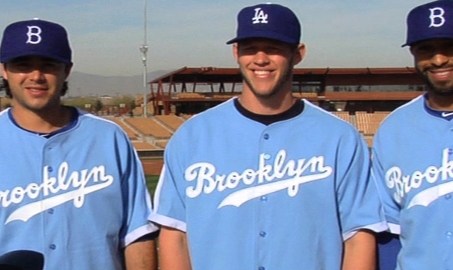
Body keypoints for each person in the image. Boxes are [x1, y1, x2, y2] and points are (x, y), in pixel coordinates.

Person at [149, 3, 387, 270]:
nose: (260, 59)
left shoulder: (339, 137)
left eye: (273, 48)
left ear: (298, 54)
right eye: (250, 48)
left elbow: (358, 236)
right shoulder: (193, 135)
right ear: (236, 52)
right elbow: (174, 234)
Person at [0, 19, 158, 269]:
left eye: (48, 65)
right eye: (23, 65)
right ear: (4, 70)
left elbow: (137, 233)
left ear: (67, 70)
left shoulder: (108, 137)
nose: (36, 76)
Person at [372, 0, 453, 269]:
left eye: (452, 46)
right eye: (426, 49)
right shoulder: (394, 129)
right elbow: (389, 232)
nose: (439, 59)